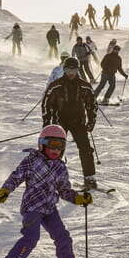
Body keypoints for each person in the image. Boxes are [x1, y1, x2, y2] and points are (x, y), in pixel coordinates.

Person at [0, 125, 93, 258]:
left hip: (49, 208)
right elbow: (16, 177)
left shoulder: (60, 167)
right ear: (42, 144)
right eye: (53, 145)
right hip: (32, 207)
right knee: (31, 238)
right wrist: (5, 190)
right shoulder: (32, 161)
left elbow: (64, 190)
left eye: (60, 146)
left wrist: (78, 198)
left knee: (63, 237)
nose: (56, 150)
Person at [42, 58, 99, 189]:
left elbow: (92, 104)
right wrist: (47, 123)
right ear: (64, 70)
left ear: (78, 70)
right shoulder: (56, 85)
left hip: (78, 122)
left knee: (85, 149)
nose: (71, 73)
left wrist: (91, 121)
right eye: (68, 70)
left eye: (74, 70)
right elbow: (46, 104)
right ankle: (52, 176)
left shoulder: (84, 85)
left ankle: (89, 177)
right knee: (55, 148)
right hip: (60, 121)